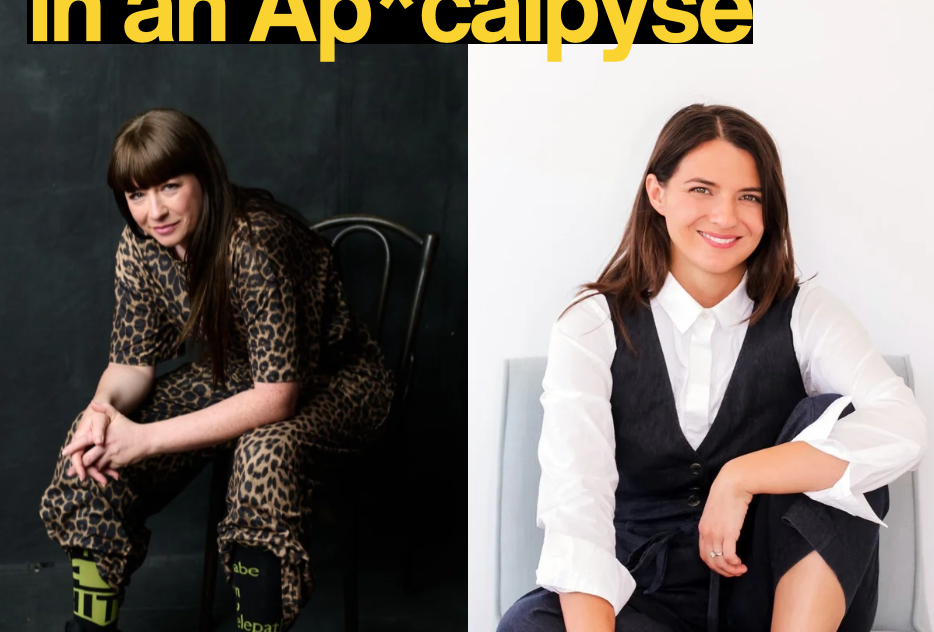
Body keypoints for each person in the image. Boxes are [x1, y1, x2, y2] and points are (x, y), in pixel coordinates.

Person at [497, 104, 927, 632]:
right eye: (702, 190)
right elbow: (576, 503)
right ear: (657, 193)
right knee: (531, 625)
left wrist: (740, 477)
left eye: (750, 197)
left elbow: (903, 427)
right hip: (642, 594)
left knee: (837, 420)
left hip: (777, 595)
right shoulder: (591, 324)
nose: (726, 216)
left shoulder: (805, 313)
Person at [39, 108, 394, 632]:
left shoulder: (255, 241)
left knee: (264, 453)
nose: (153, 210)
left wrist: (147, 439)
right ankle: (90, 627)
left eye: (169, 186)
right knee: (92, 437)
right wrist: (102, 409)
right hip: (235, 374)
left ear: (203, 175)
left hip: (336, 380)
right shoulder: (140, 247)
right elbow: (131, 363)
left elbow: (277, 398)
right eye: (137, 195)